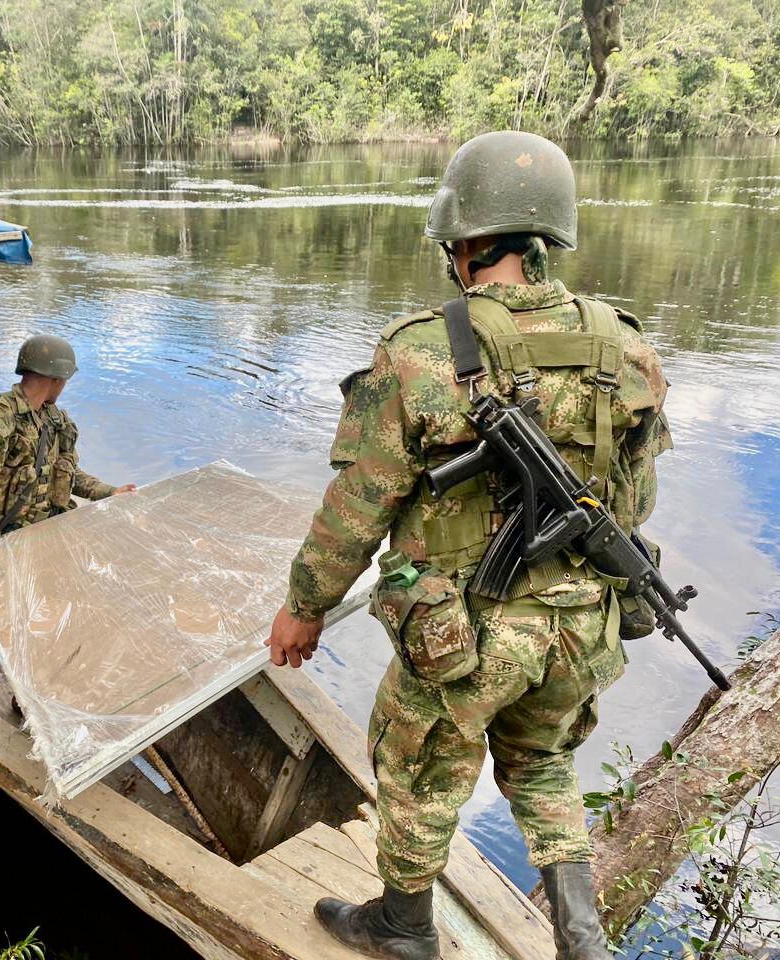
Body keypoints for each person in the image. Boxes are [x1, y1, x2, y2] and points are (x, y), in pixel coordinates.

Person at [264, 131, 672, 960]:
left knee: (420, 776)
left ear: (467, 242)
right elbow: (634, 502)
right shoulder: (625, 343)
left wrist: (303, 608)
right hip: (578, 625)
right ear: (544, 238)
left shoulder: (420, 348)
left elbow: (358, 504)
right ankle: (585, 945)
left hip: (465, 633)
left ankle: (404, 929)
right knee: (546, 770)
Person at [0, 335, 135, 584]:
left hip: (47, 532)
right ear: (57, 379)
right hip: (4, 538)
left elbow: (71, 473)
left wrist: (109, 492)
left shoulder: (55, 419)